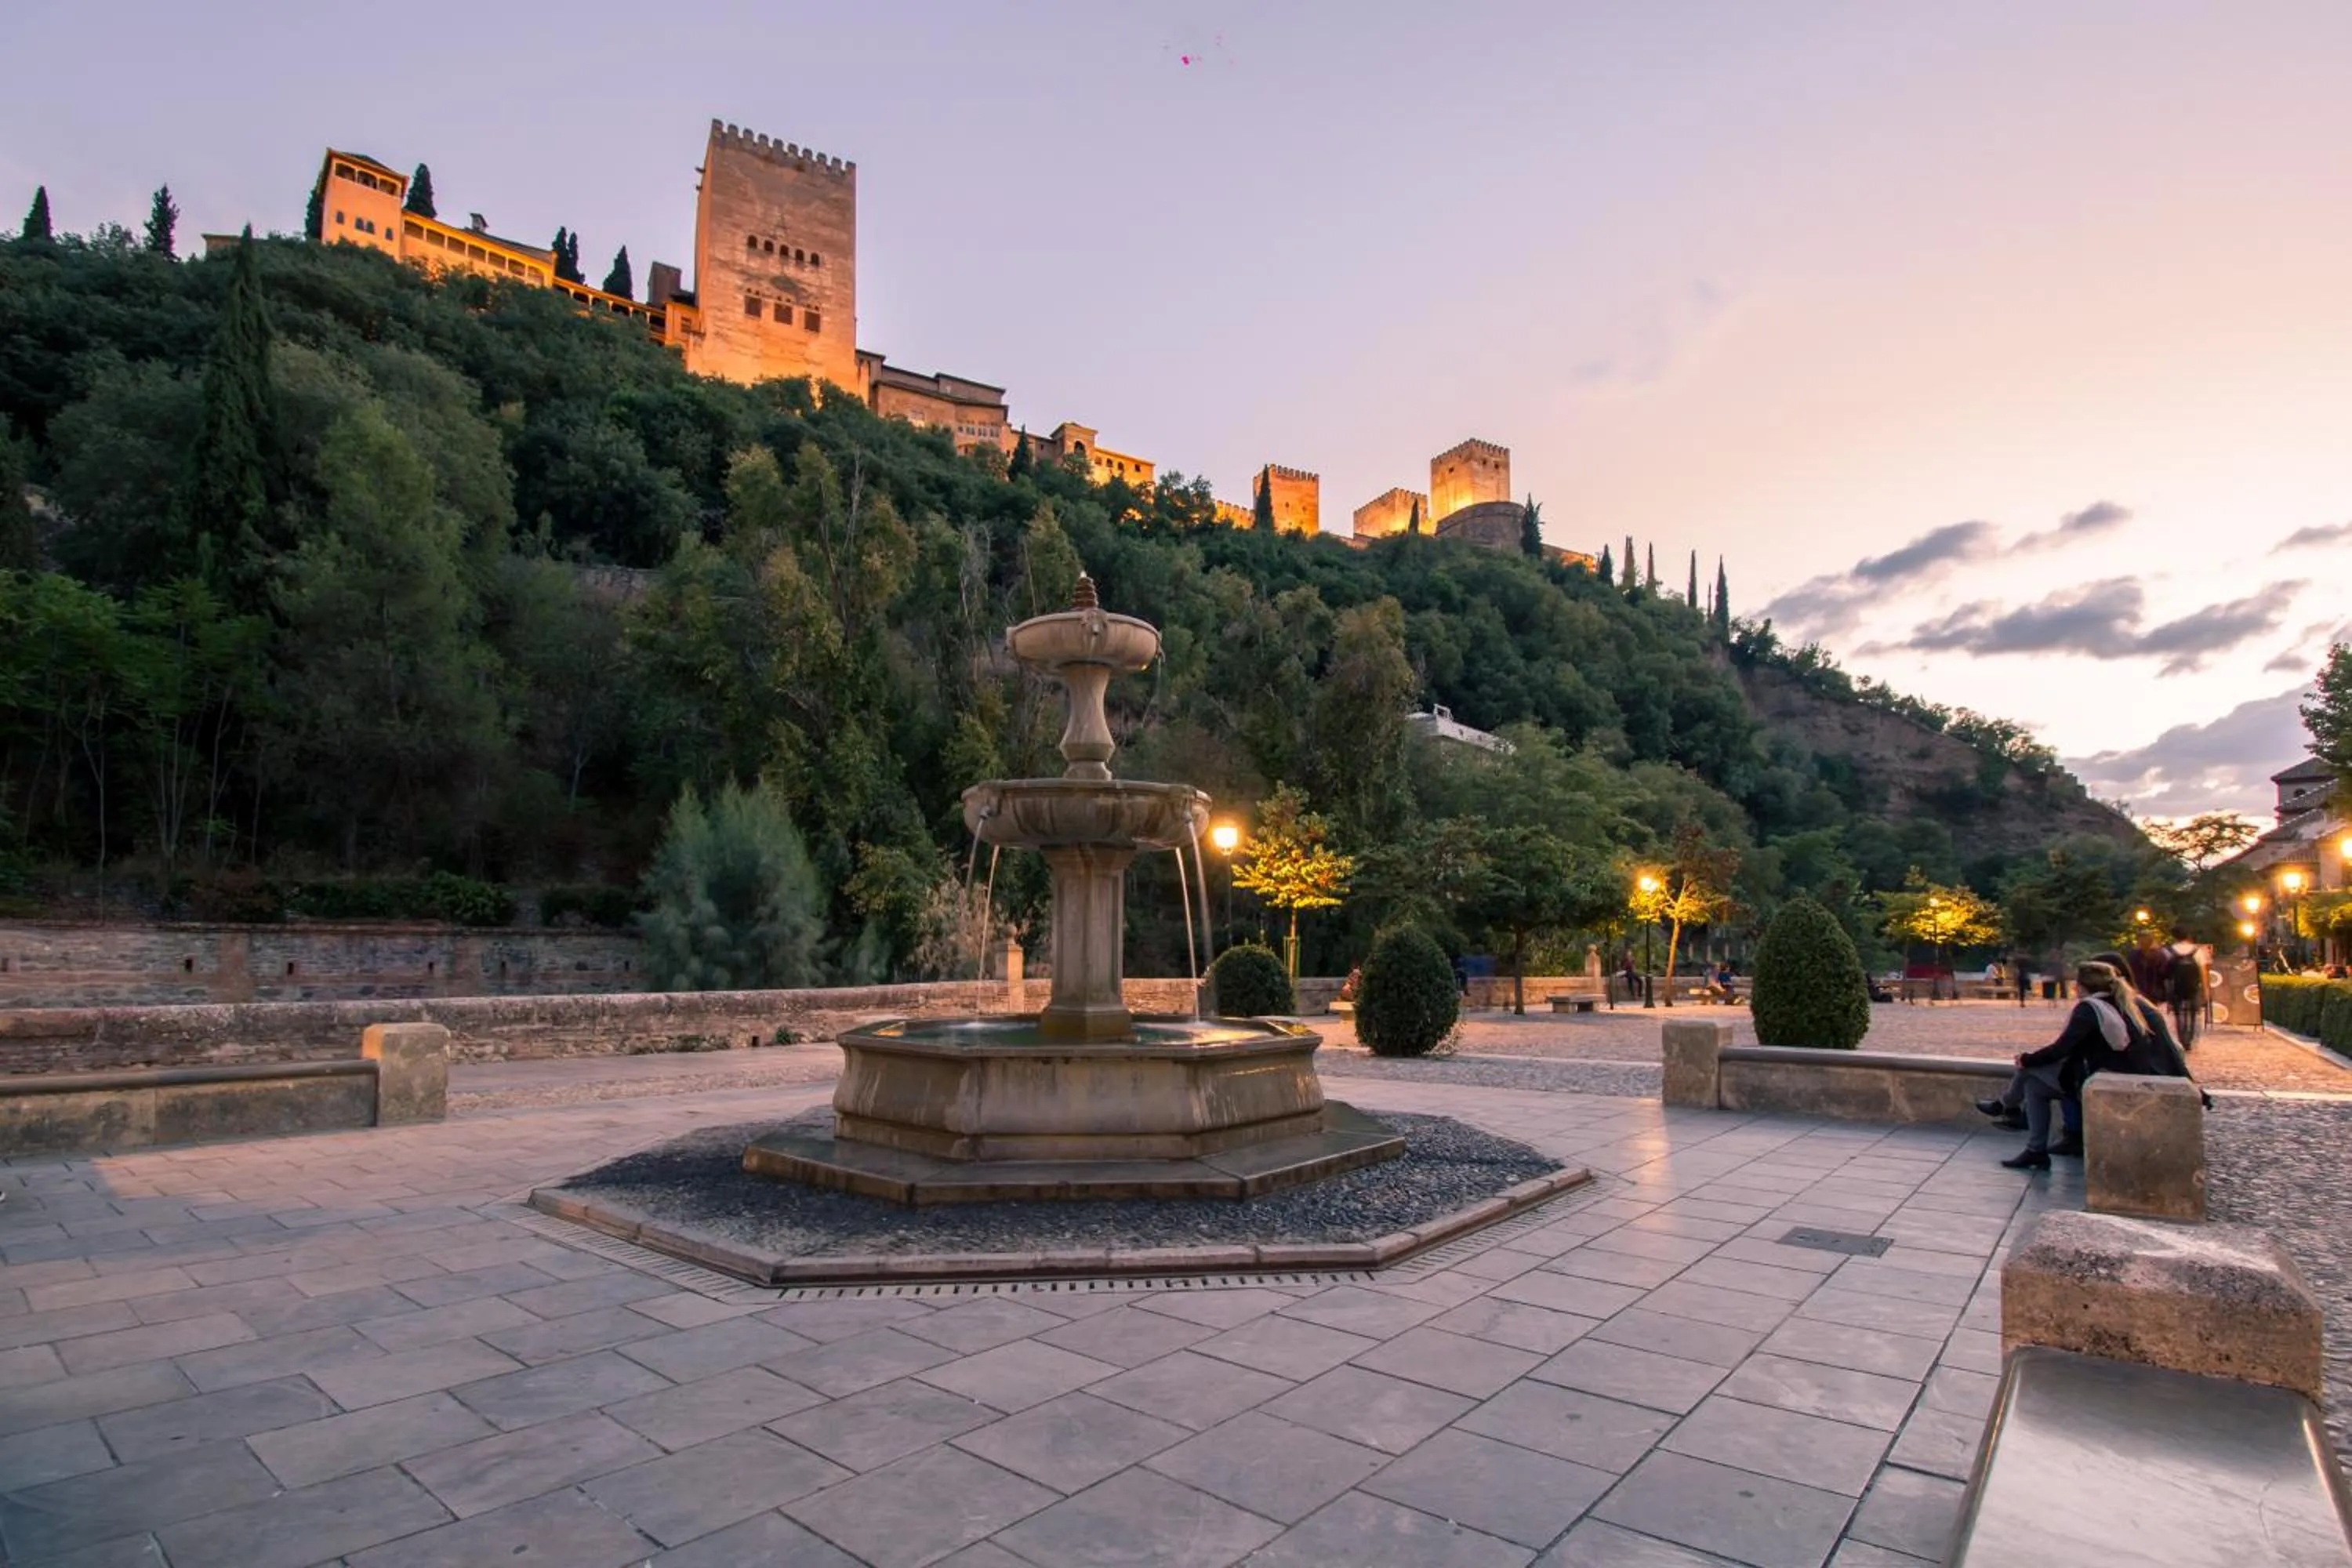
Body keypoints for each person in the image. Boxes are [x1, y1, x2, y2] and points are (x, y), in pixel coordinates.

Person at [1978, 960, 2190, 1171]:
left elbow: (2062, 1048)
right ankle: (2032, 1145)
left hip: (2102, 1077)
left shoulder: (2089, 1009)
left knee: (2029, 1068)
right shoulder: (2122, 1003)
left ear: (2081, 986)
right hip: (2122, 1074)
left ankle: (2008, 1108)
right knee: (2034, 1087)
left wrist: (2026, 1059)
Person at [2161, 927, 2207, 1051]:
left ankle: (2181, 1038)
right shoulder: (2197, 951)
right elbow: (2203, 972)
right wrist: (2206, 990)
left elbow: (2165, 973)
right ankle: (2190, 1039)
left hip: (2176, 987)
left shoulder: (2168, 951)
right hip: (2193, 986)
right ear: (2188, 936)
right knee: (2194, 1013)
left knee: (2178, 1014)